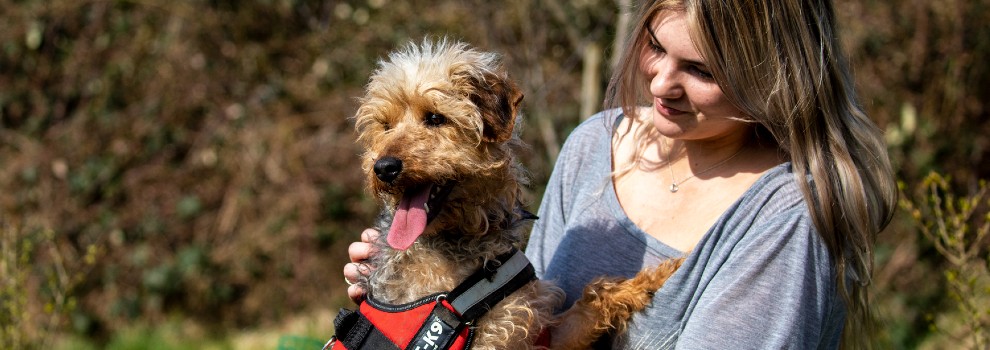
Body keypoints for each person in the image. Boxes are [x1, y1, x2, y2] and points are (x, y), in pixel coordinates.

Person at [346, 0, 897, 348]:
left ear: (773, 76)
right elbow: (536, 327)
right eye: (655, 46)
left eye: (700, 70)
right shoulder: (593, 144)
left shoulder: (786, 217)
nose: (660, 84)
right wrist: (408, 319)